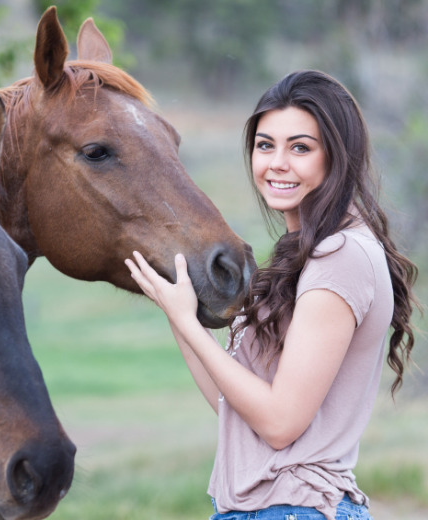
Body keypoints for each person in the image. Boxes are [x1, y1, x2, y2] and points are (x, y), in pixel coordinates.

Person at [125, 70, 419, 520]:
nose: (277, 163)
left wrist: (188, 321)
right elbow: (234, 410)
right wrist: (177, 312)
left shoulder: (340, 255)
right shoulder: (307, 253)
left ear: (337, 157)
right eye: (265, 145)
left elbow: (280, 424)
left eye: (300, 147)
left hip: (295, 508)